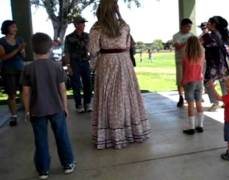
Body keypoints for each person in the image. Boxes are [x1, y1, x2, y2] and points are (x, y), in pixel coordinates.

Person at [89, 0, 151, 150]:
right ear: (115, 9)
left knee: (108, 97)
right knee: (126, 97)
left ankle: (111, 136)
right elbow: (128, 45)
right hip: (124, 62)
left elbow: (93, 49)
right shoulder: (124, 26)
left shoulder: (97, 28)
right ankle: (130, 131)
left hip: (107, 64)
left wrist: (94, 63)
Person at [21, 33, 75, 179]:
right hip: (57, 108)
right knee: (62, 136)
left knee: (40, 140)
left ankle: (43, 170)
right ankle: (68, 163)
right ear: (50, 48)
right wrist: (65, 107)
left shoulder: (28, 68)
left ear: (33, 49)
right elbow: (62, 89)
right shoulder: (56, 67)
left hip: (37, 110)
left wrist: (27, 110)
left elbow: (26, 93)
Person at [202, 16, 229, 111]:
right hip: (222, 64)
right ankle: (225, 102)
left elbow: (199, 42)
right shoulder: (222, 34)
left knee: (208, 83)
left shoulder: (212, 36)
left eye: (209, 23)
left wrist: (205, 32)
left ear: (213, 24)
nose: (207, 24)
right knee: (224, 83)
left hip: (214, 65)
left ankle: (215, 103)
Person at [64, 16, 92, 113]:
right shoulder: (69, 37)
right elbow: (66, 52)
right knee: (76, 85)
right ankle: (79, 105)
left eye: (84, 23)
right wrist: (68, 65)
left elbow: (90, 48)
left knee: (88, 83)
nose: (84, 25)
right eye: (82, 23)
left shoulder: (87, 36)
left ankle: (87, 103)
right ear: (76, 25)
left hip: (85, 62)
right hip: (74, 63)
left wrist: (90, 56)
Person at [0, 20, 26, 126]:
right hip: (8, 70)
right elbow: (3, 57)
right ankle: (14, 116)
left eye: (16, 27)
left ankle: (27, 112)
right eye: (13, 27)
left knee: (24, 91)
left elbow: (23, 57)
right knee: (11, 94)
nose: (15, 28)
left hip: (20, 69)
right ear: (7, 28)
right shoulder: (1, 41)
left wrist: (22, 50)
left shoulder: (20, 39)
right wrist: (17, 49)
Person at [181, 36, 205, 135]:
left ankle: (191, 128)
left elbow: (184, 70)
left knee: (190, 104)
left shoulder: (185, 56)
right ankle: (200, 125)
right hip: (199, 81)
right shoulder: (202, 55)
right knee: (199, 103)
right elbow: (202, 67)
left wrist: (182, 82)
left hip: (189, 81)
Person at [173, 18, 194, 107]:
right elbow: (177, 47)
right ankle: (181, 97)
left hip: (190, 61)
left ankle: (189, 97)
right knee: (180, 80)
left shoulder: (192, 35)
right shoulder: (176, 36)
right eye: (188, 26)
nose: (189, 28)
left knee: (190, 80)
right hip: (180, 61)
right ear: (182, 26)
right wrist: (187, 42)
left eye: (190, 27)